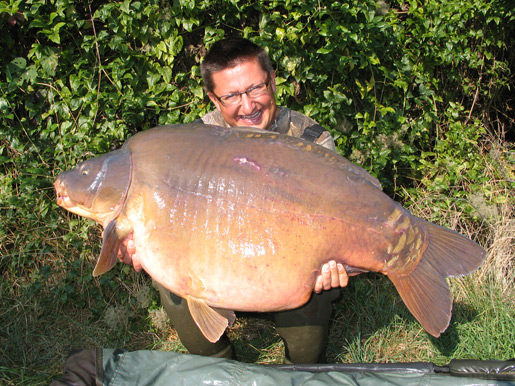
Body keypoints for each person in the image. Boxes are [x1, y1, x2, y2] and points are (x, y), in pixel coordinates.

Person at [119, 37, 348, 364]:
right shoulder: (191, 145)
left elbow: (339, 215)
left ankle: (300, 368)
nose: (248, 105)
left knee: (313, 302)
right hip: (220, 265)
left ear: (272, 79)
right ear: (213, 98)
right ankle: (219, 364)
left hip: (288, 267)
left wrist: (331, 260)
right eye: (231, 96)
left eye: (256, 88)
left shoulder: (310, 139)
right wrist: (142, 247)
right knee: (170, 285)